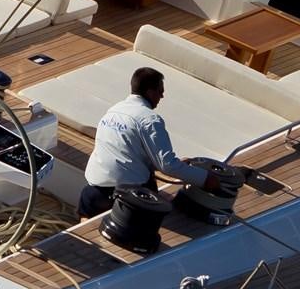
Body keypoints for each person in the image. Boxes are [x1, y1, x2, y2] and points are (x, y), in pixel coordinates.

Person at [78, 66, 220, 218]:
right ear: (150, 92)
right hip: (130, 195)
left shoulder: (113, 111)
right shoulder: (149, 120)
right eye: (160, 91)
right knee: (150, 182)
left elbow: (127, 153)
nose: (162, 96)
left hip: (94, 192)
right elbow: (167, 165)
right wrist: (205, 179)